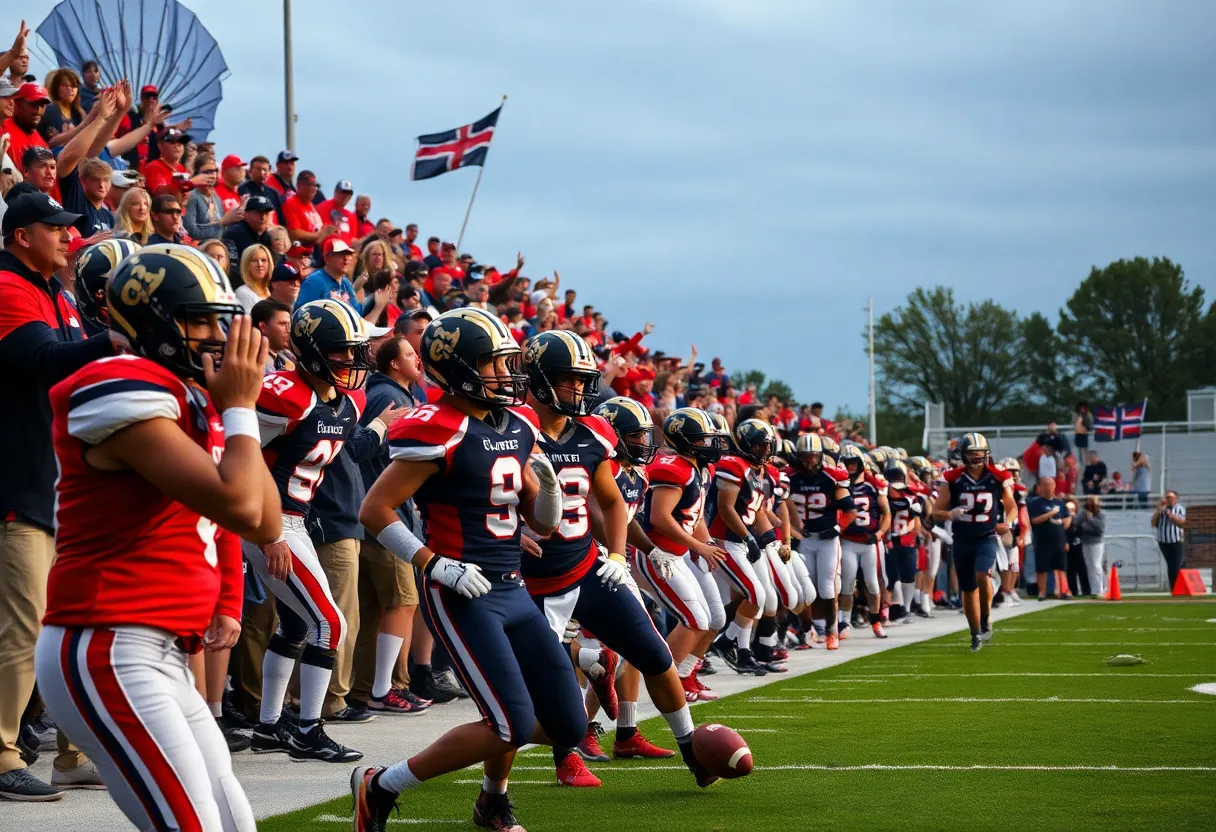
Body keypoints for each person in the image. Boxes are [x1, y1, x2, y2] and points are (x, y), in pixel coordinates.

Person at [35, 244, 277, 829]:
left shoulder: (191, 397)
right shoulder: (118, 383)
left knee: (233, 823)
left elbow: (267, 523)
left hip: (162, 647)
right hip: (108, 643)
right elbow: (244, 509)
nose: (218, 335)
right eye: (201, 320)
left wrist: (236, 411)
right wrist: (242, 410)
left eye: (223, 320)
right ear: (154, 323)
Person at [351, 307, 587, 832]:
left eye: (507, 363)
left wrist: (546, 491)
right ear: (456, 366)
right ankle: (381, 785)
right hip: (460, 590)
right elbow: (375, 509)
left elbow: (540, 523)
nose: (506, 374)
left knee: (568, 722)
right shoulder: (437, 427)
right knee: (511, 723)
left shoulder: (519, 424)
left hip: (512, 587)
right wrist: (435, 566)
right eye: (493, 364)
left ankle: (490, 799)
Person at [516, 330, 706, 789]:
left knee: (655, 653)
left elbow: (610, 502)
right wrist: (511, 532)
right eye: (570, 381)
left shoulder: (593, 432)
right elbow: (484, 495)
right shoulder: (514, 426)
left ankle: (691, 748)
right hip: (534, 578)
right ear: (541, 381)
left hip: (586, 563)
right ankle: (566, 756)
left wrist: (619, 554)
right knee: (552, 687)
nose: (580, 392)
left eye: (584, 381)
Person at [0, 192, 119, 801]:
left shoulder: (57, 293)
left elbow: (81, 374)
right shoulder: (7, 283)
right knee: (24, 629)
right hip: (17, 485)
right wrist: (115, 341)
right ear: (24, 235)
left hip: (57, 486)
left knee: (68, 628)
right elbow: (42, 360)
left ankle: (70, 753)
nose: (68, 237)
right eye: (56, 228)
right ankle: (0, 755)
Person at [244, 300, 391, 763]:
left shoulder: (346, 402)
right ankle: (308, 728)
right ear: (311, 352)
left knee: (296, 622)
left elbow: (350, 450)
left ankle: (269, 727)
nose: (354, 361)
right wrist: (268, 533)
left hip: (295, 519)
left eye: (356, 351)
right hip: (266, 519)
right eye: (341, 352)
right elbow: (238, 457)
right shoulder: (284, 393)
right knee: (330, 624)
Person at [349, 336, 431, 715]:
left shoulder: (392, 393)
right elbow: (369, 450)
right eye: (410, 354)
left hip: (377, 513)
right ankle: (384, 689)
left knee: (375, 608)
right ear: (394, 364)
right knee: (402, 600)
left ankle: (368, 687)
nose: (417, 358)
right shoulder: (388, 397)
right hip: (387, 516)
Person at [633, 409, 731, 703]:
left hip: (676, 553)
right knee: (694, 618)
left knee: (713, 617)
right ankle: (669, 681)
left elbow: (694, 514)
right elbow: (660, 517)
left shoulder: (699, 467)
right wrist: (698, 547)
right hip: (654, 552)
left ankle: (685, 673)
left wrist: (706, 543)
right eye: (703, 440)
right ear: (684, 441)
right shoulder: (675, 468)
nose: (711, 445)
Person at [932, 433, 1017, 651]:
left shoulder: (998, 476)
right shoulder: (953, 478)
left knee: (982, 574)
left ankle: (986, 616)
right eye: (972, 453)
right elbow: (935, 512)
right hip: (962, 539)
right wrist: (950, 514)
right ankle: (974, 633)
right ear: (963, 454)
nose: (977, 457)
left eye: (980, 453)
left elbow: (1012, 506)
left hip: (987, 536)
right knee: (968, 589)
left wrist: (1007, 523)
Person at [788, 433, 855, 648]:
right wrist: (793, 532)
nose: (809, 461)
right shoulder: (789, 476)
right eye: (805, 456)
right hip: (804, 538)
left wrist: (838, 527)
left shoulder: (833, 477)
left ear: (821, 456)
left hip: (827, 538)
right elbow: (780, 508)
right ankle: (808, 629)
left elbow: (850, 510)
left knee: (827, 588)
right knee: (806, 587)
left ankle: (831, 631)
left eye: (814, 456)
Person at [837, 445, 890, 639]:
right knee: (847, 583)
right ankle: (844, 622)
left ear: (861, 464)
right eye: (847, 463)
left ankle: (875, 621)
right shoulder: (840, 485)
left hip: (869, 542)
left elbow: (886, 513)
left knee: (873, 584)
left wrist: (880, 533)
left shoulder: (873, 485)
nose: (850, 467)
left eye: (854, 463)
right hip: (848, 540)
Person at [1028, 477, 1071, 602]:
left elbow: (1067, 519)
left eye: (1051, 485)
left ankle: (1063, 591)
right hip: (1042, 541)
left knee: (1061, 567)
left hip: (1059, 540)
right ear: (1041, 487)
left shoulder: (1060, 503)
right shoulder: (1035, 503)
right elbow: (1034, 520)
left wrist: (1063, 522)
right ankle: (1042, 592)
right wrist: (1050, 514)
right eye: (1046, 485)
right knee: (1042, 568)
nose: (1049, 488)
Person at [184, 154, 243, 241]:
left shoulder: (216, 197)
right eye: (206, 172)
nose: (212, 175)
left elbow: (221, 232)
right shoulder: (192, 197)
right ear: (197, 174)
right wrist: (223, 222)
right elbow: (191, 232)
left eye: (214, 171)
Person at [297, 235, 358, 309]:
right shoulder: (314, 282)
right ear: (327, 258)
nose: (346, 258)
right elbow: (303, 313)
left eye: (348, 254)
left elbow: (357, 312)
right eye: (340, 254)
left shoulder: (346, 283)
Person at [283, 170, 336, 251]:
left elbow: (318, 229)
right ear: (299, 186)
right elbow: (295, 234)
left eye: (315, 186)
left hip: (318, 250)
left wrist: (329, 232)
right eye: (310, 185)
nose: (314, 189)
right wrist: (321, 234)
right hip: (302, 252)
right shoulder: (291, 203)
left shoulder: (311, 205)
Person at [223, 194, 275, 275]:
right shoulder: (235, 233)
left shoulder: (266, 236)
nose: (263, 217)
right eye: (258, 212)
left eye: (266, 213)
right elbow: (232, 267)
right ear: (246, 214)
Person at [1152, 491, 1187, 591]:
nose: (1168, 499)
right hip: (1163, 541)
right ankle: (1174, 589)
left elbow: (1182, 523)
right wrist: (1158, 510)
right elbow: (1153, 523)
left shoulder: (1180, 508)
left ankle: (1178, 588)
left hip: (1176, 540)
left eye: (1171, 497)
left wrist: (1171, 515)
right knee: (1170, 565)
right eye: (1167, 497)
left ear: (1175, 499)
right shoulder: (1162, 509)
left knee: (1176, 566)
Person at [250, 298, 295, 372]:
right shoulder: (253, 363)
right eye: (283, 324)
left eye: (289, 325)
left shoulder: (286, 355)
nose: (289, 330)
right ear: (263, 327)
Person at [1074, 496, 1106, 597]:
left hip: (1096, 543)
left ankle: (1099, 589)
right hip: (1086, 542)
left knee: (1096, 565)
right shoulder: (1083, 513)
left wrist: (1090, 520)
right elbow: (1076, 523)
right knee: (1089, 566)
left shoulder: (1101, 515)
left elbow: (1100, 529)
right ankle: (1094, 588)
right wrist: (1084, 520)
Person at [238, 155, 284, 224]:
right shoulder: (243, 189)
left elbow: (281, 219)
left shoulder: (274, 193)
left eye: (265, 170)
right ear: (251, 171)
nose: (263, 173)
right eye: (259, 169)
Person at [235, 243, 273, 313]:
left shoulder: (272, 290)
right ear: (246, 264)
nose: (260, 264)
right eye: (254, 260)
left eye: (263, 260)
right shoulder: (243, 292)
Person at [317, 179, 357, 244]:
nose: (345, 196)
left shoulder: (351, 216)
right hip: (327, 251)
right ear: (335, 192)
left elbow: (353, 239)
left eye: (348, 193)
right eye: (342, 192)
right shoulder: (322, 207)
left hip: (345, 252)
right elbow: (318, 233)